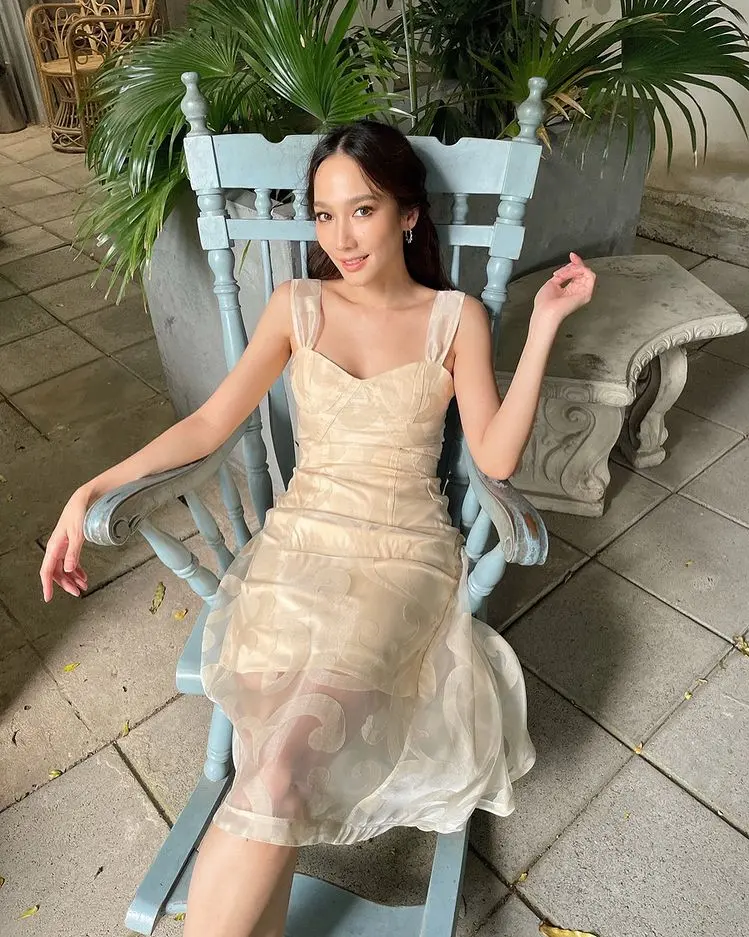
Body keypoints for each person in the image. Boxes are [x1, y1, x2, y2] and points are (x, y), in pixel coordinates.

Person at [40, 119, 595, 937]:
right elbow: (209, 424)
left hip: (401, 559)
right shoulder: (296, 306)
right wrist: (91, 487)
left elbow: (496, 455)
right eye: (325, 215)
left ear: (408, 213)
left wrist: (544, 325)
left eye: (362, 210)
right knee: (277, 770)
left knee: (276, 769)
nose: (341, 237)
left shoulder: (455, 319)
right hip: (296, 550)